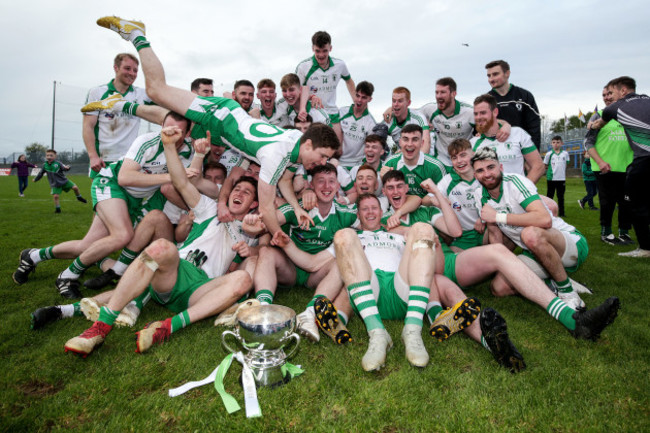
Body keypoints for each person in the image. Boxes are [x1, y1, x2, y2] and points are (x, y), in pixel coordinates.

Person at [92, 16, 340, 240]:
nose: (322, 163)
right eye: (322, 156)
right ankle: (137, 35)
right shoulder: (278, 154)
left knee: (172, 122)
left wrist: (296, 209)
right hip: (221, 117)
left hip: (223, 127)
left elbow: (285, 180)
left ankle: (120, 105)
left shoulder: (297, 144)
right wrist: (277, 234)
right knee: (157, 91)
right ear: (309, 144)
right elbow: (265, 206)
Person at [63, 125, 261, 357]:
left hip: (202, 290)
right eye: (237, 189)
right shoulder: (209, 208)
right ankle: (99, 327)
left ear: (255, 204)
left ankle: (166, 326)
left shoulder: (253, 228)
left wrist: (251, 244)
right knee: (161, 248)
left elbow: (257, 259)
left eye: (246, 193)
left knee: (243, 279)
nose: (238, 194)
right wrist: (169, 146)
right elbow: (181, 183)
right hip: (175, 272)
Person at [13, 112, 195, 298]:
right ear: (161, 125)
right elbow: (125, 177)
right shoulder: (147, 141)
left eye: (178, 132)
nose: (171, 134)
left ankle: (33, 256)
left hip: (139, 199)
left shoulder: (190, 152)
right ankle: (67, 276)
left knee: (88, 246)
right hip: (112, 184)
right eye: (167, 128)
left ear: (188, 133)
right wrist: (172, 176)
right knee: (122, 235)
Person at [472, 147, 588, 309]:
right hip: (535, 250)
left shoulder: (515, 182)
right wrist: (499, 263)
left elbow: (544, 219)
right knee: (499, 287)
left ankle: (568, 293)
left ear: (501, 168)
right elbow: (495, 233)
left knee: (530, 233)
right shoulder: (479, 194)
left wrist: (498, 216)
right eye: (480, 170)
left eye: (491, 167)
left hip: (568, 243)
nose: (487, 174)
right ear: (475, 175)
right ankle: (556, 280)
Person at [590, 76, 650, 258]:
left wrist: (592, 123)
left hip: (643, 161)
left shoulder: (614, 109)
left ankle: (645, 248)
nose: (610, 96)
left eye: (612, 92)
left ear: (623, 91)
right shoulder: (647, 99)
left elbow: (596, 124)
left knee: (635, 204)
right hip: (623, 166)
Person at [83, 53, 159, 177]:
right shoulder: (97, 92)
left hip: (130, 160)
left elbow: (166, 104)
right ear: (116, 68)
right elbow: (88, 126)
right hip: (103, 160)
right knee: (103, 197)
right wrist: (93, 156)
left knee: (131, 196)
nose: (132, 73)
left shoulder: (141, 94)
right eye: (127, 68)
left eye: (135, 70)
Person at [584, 86, 634, 246]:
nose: (606, 97)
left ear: (621, 93)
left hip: (627, 167)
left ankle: (624, 232)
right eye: (604, 95)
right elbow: (588, 142)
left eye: (610, 93)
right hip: (604, 168)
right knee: (607, 201)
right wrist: (600, 162)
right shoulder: (598, 116)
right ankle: (606, 233)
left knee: (626, 201)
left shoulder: (630, 116)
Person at [470, 94, 545, 183]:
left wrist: (524, 191)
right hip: (489, 196)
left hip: (517, 195)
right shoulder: (473, 143)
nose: (478, 117)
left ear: (495, 112)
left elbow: (538, 166)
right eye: (476, 114)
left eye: (483, 113)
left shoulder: (518, 134)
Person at [295, 31, 355, 125]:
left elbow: (349, 81)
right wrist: (311, 97)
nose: (321, 55)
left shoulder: (340, 65)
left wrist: (356, 102)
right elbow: (296, 92)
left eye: (325, 51)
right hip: (313, 113)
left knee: (337, 140)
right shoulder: (303, 67)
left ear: (330, 48)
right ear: (312, 48)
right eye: (317, 51)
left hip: (332, 113)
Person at [485, 60, 541, 149]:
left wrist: (533, 155)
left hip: (522, 151)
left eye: (495, 74)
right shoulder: (485, 100)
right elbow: (480, 126)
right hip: (496, 152)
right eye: (489, 76)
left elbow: (534, 128)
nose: (491, 79)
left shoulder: (525, 96)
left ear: (507, 73)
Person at [382, 124, 446, 198]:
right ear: (400, 142)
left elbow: (444, 198)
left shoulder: (436, 167)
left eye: (415, 139)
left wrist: (426, 200)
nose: (410, 144)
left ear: (422, 143)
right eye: (405, 139)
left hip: (429, 209)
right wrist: (382, 178)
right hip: (399, 208)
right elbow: (383, 194)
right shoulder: (390, 163)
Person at [424, 77, 476, 167]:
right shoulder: (430, 109)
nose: (439, 96)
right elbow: (412, 114)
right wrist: (391, 110)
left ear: (453, 94)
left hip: (464, 161)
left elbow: (489, 120)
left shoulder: (469, 112)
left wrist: (505, 125)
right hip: (441, 161)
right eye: (437, 92)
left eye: (443, 92)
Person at [337, 81, 377, 169]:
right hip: (337, 162)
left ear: (369, 99)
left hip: (356, 166)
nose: (359, 100)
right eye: (357, 96)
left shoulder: (371, 123)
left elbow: (371, 149)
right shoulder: (341, 112)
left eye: (363, 97)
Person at [381, 87, 431, 154]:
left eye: (400, 101)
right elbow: (375, 143)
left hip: (423, 157)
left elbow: (426, 146)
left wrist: (409, 156)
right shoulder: (388, 120)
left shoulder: (418, 118)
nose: (396, 104)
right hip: (403, 158)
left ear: (408, 103)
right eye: (394, 101)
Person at [543, 136, 570, 217]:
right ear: (551, 144)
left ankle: (562, 213)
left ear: (561, 143)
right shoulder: (549, 154)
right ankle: (547, 213)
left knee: (561, 197)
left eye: (558, 142)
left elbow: (567, 163)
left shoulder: (565, 154)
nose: (556, 144)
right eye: (554, 142)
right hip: (551, 179)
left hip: (561, 179)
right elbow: (545, 164)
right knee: (549, 196)